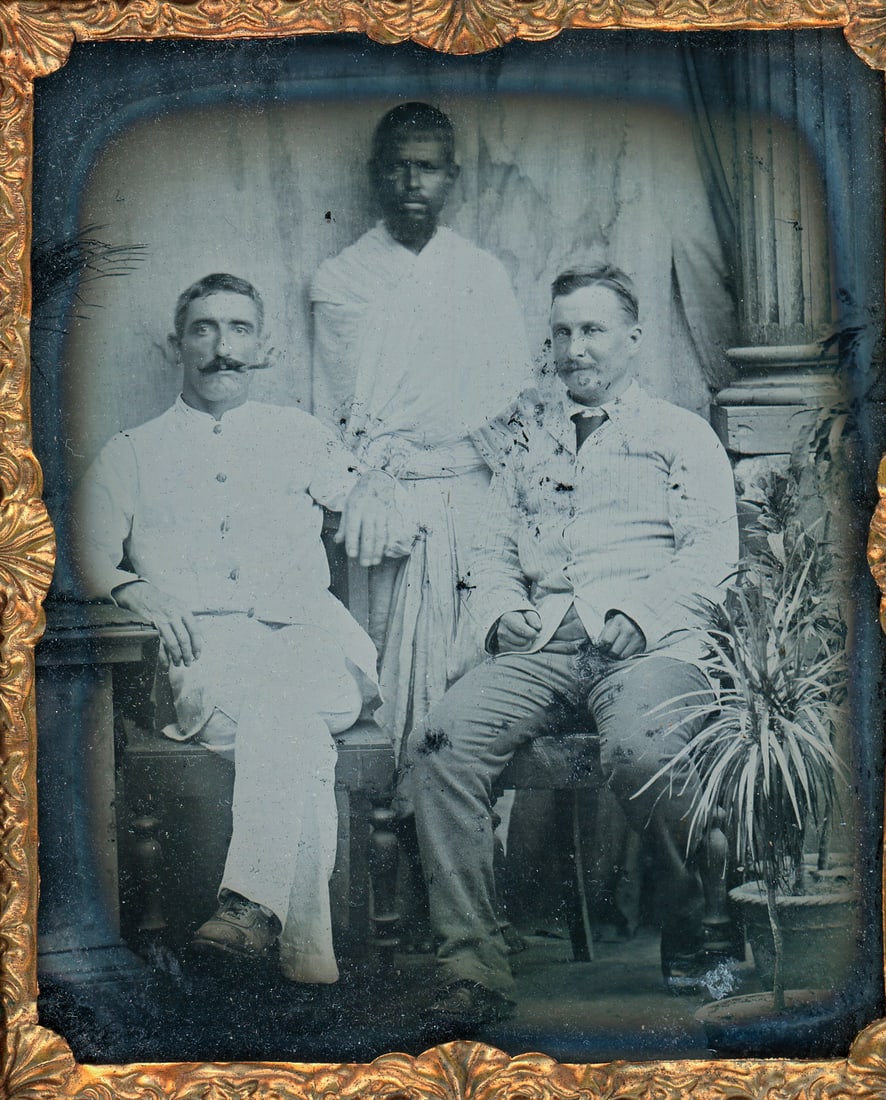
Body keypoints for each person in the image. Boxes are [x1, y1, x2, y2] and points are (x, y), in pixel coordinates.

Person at [407, 265, 740, 1028]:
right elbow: (487, 553)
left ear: (632, 337)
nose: (573, 348)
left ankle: (696, 905)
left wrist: (642, 611)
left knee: (643, 753)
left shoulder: (677, 433)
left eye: (591, 330)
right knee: (437, 743)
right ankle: (471, 962)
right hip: (546, 641)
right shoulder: (527, 437)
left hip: (651, 645)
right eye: (560, 332)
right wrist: (500, 613)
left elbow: (711, 551)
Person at [73, 273, 405, 985]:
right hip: (210, 656)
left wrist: (376, 488)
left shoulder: (301, 436)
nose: (222, 347)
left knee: (284, 694)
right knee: (286, 719)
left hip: (319, 648)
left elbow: (372, 492)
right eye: (204, 329)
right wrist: (134, 587)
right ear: (176, 344)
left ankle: (248, 904)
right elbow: (81, 552)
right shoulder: (132, 452)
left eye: (239, 329)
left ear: (265, 347)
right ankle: (302, 960)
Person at [309, 101, 531, 757]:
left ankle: (464, 837)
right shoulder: (342, 281)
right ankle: (395, 827)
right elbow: (338, 415)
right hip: (386, 498)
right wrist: (364, 488)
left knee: (473, 678)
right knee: (383, 677)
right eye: (400, 168)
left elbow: (509, 405)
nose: (413, 184)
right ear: (377, 174)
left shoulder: (481, 277)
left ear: (451, 177)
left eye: (428, 169)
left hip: (472, 500)